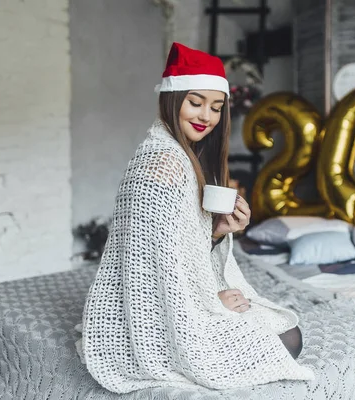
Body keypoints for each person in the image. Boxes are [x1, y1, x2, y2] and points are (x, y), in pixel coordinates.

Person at [76, 43, 314, 393]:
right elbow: (149, 268)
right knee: (288, 341)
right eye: (196, 102)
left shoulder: (181, 156)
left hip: (178, 300)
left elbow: (177, 247)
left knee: (284, 332)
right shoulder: (163, 165)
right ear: (172, 100)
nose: (207, 116)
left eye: (216, 107)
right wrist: (209, 304)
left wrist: (217, 232)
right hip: (157, 314)